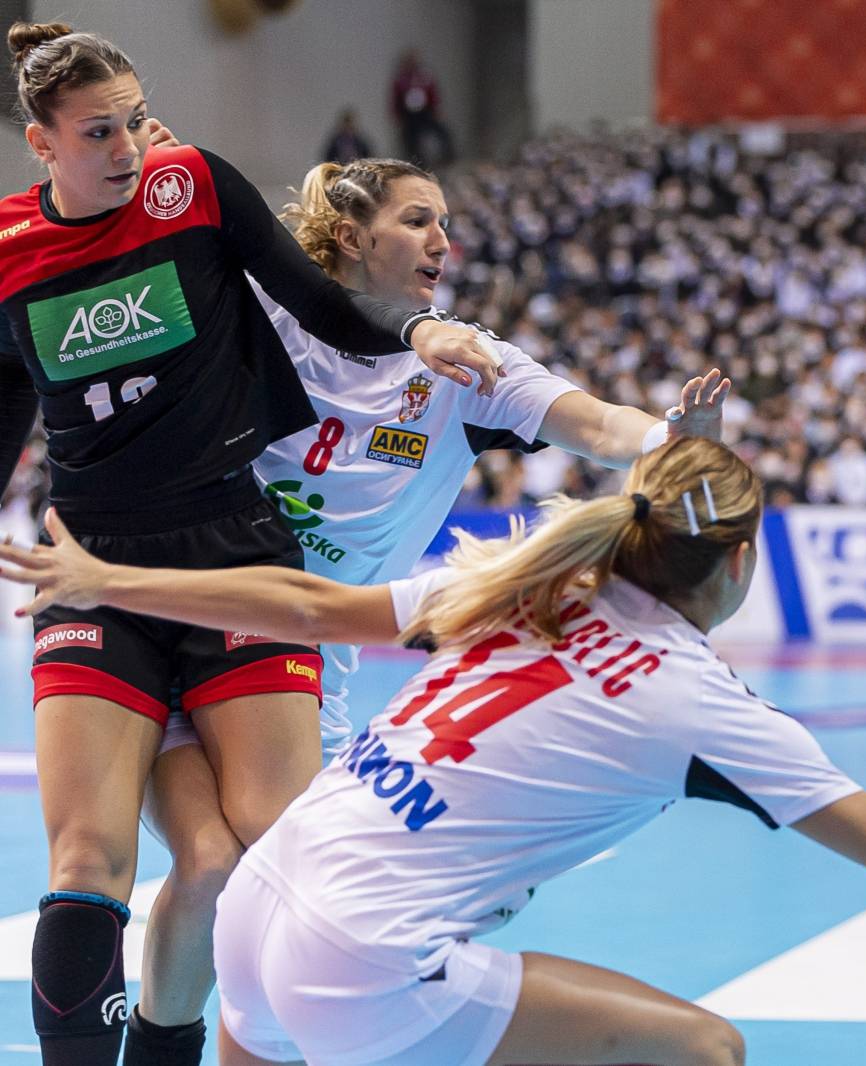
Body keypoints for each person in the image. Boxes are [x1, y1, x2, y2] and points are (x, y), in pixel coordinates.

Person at [0, 437, 866, 1066]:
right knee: (706, 1050)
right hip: (362, 953)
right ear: (741, 564)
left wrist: (112, 581)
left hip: (260, 917)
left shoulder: (526, 585)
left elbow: (315, 609)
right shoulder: (698, 698)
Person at [139, 154, 731, 1058]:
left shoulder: (461, 359)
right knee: (224, 869)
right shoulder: (262, 320)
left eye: (445, 223)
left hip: (301, 666)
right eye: (418, 220)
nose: (442, 241)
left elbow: (598, 425)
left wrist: (668, 440)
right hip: (181, 618)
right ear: (351, 235)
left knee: (237, 878)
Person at [0, 22, 499, 1066]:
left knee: (270, 851)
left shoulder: (193, 187)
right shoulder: (8, 254)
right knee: (87, 853)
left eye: (136, 119)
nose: (130, 147)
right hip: (93, 571)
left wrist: (420, 332)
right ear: (41, 145)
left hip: (237, 558)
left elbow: (325, 305)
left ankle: (188, 1042)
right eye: (99, 132)